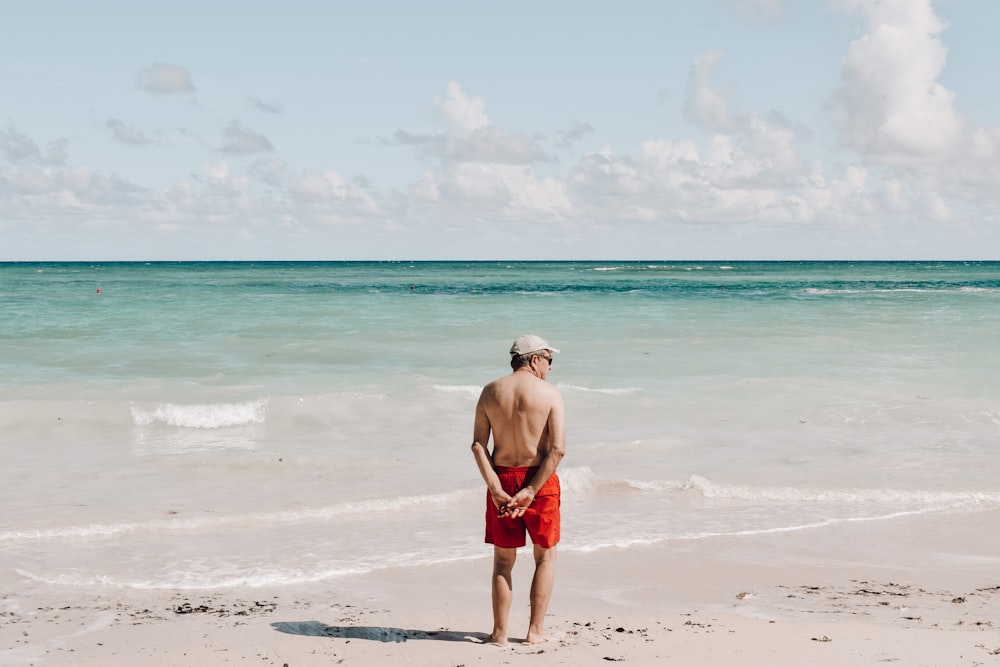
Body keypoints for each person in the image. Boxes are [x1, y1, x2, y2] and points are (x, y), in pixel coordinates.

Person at [470, 334, 566, 645]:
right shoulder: (550, 394)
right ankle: (535, 633)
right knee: (545, 558)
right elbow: (557, 450)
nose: (550, 367)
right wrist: (531, 490)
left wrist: (496, 488)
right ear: (536, 359)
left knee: (502, 562)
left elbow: (478, 446)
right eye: (549, 360)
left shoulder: (490, 391)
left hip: (502, 478)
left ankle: (499, 634)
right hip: (539, 481)